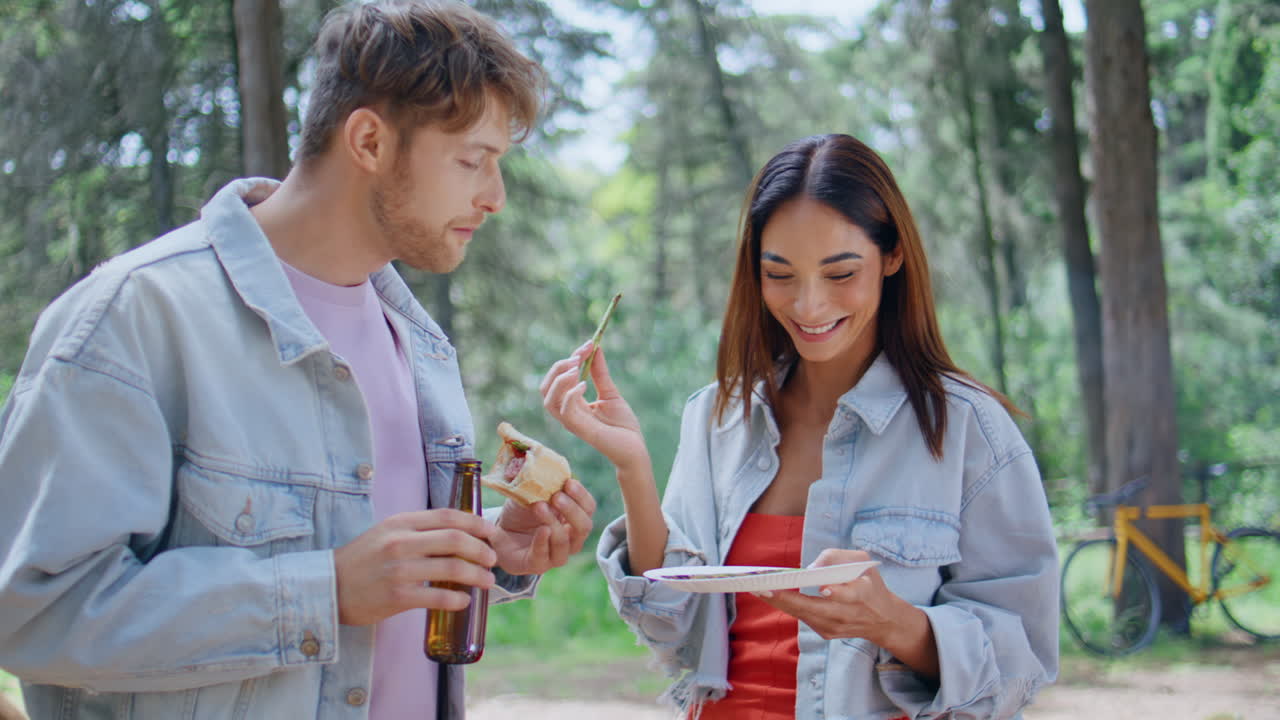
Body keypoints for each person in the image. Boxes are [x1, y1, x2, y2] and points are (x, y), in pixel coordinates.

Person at [0, 2, 596, 719]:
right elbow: (32, 614)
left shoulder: (420, 343)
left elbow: (378, 575)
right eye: (474, 160)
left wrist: (493, 552)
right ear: (370, 141)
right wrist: (324, 593)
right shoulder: (134, 318)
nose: (495, 197)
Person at [540, 134, 1058, 719]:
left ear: (892, 258)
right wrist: (632, 468)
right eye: (780, 274)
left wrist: (899, 626)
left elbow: (1023, 664)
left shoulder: (968, 429)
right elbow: (671, 630)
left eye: (840, 273)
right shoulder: (715, 418)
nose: (809, 306)